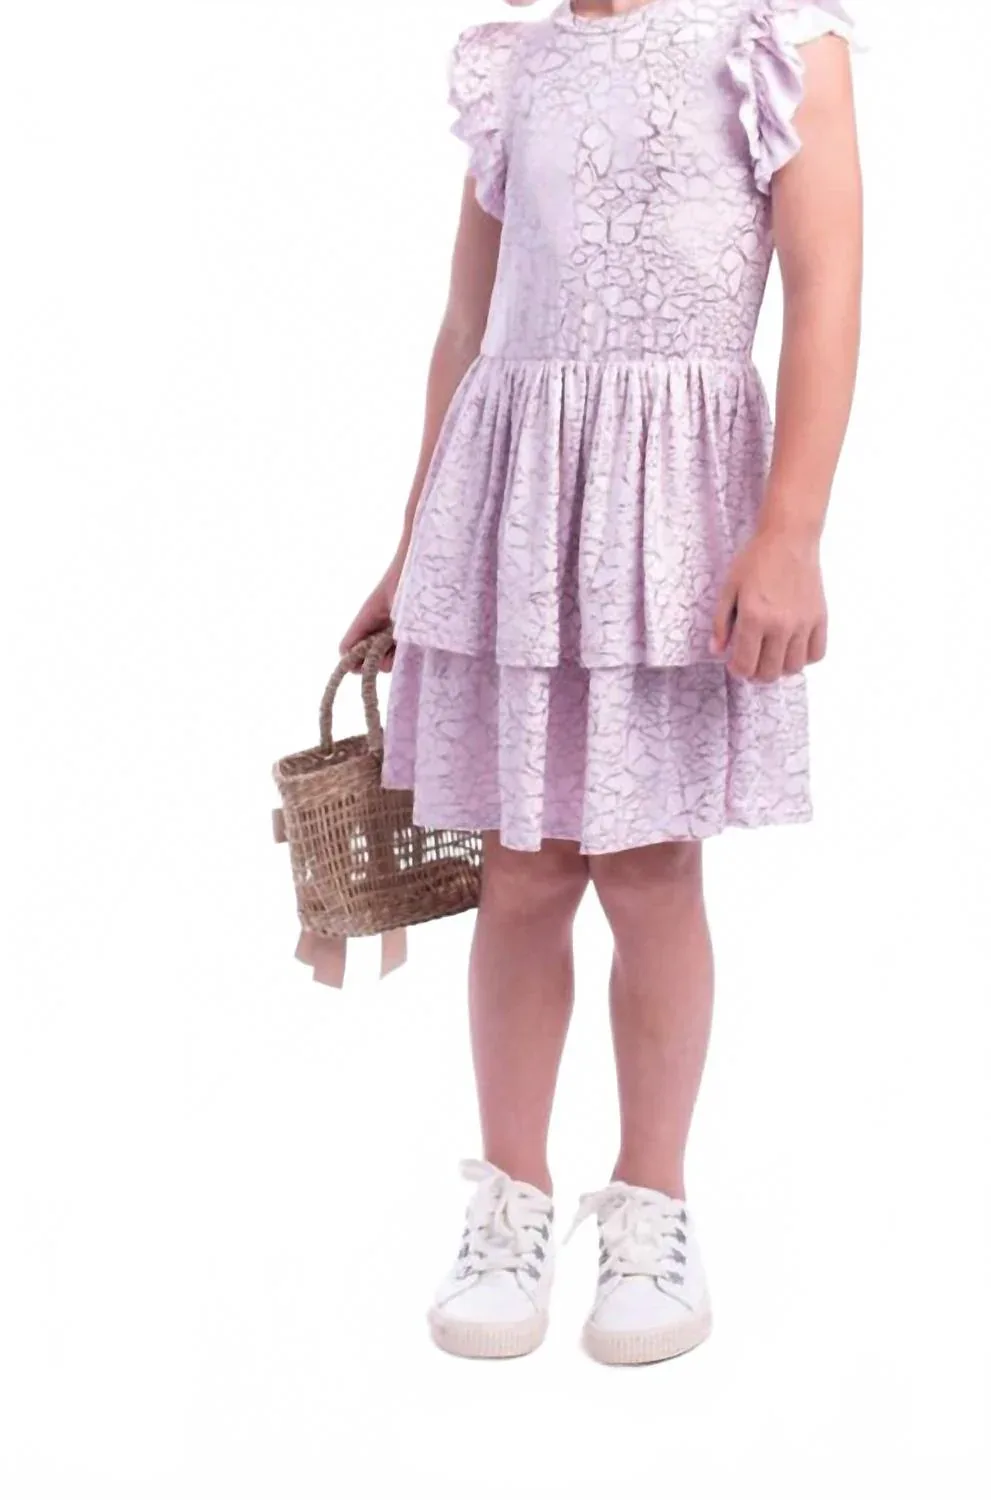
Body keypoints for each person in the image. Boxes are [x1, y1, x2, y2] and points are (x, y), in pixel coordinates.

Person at [342, 0, 862, 1365]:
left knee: (647, 865)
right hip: (517, 496)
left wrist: (791, 529)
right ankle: (507, 1205)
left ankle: (651, 1207)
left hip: (672, 508)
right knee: (519, 867)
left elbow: (826, 288)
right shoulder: (514, 62)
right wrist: (411, 547)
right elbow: (467, 322)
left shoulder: (772, 40)